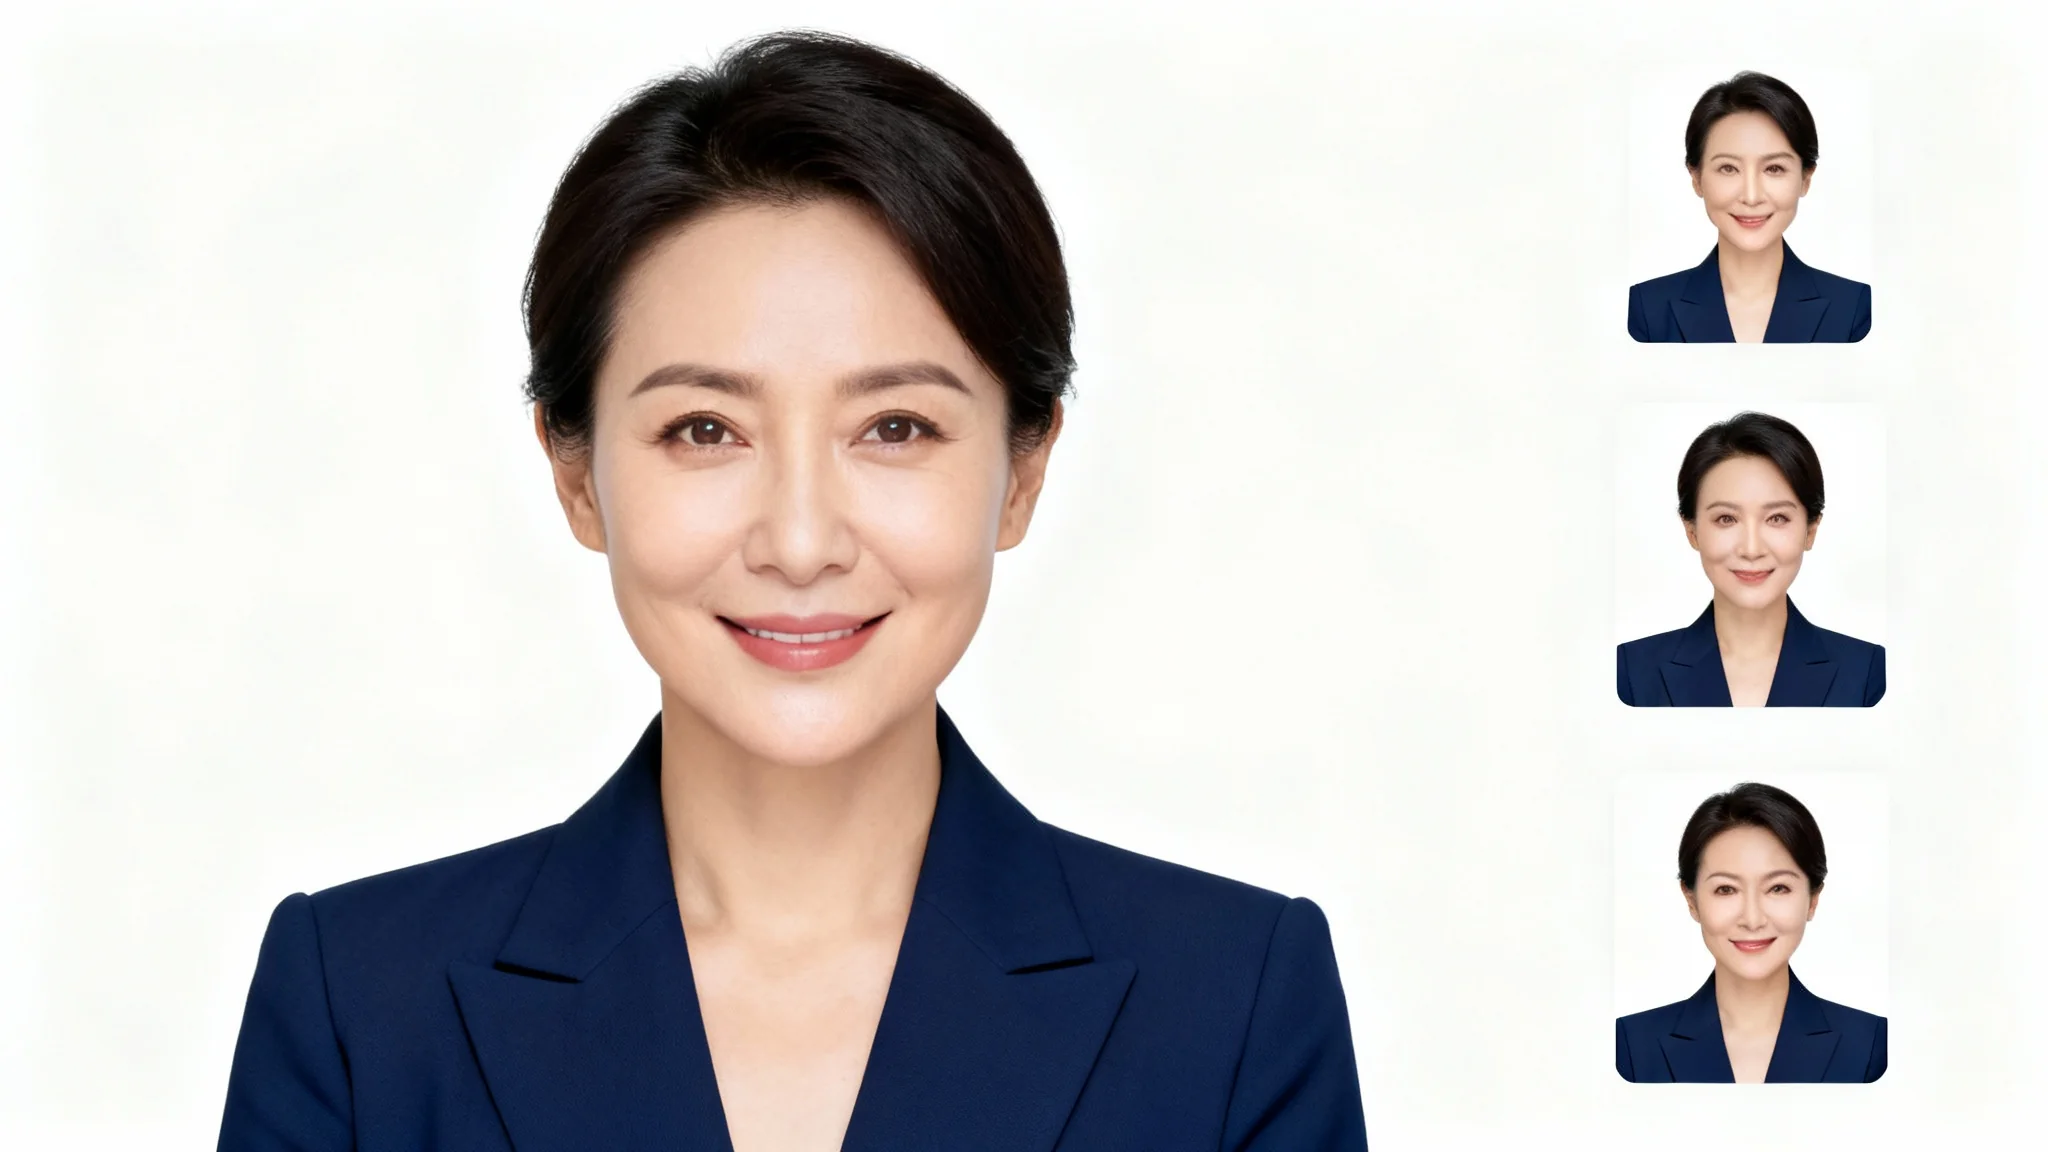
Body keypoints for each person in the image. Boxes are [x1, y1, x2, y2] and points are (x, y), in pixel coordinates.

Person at [214, 31, 1367, 1151]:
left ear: (1021, 471)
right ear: (574, 473)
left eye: (896, 427)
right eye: (704, 429)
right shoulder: (359, 1009)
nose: (802, 541)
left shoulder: (1233, 1009)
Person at [1616, 783, 1886, 1083]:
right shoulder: (1629, 1047)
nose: (1753, 919)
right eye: (1726, 889)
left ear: (1812, 899)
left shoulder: (1873, 1046)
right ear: (1691, 901)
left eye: (1778, 888)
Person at [1617, 411, 1883, 707]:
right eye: (1727, 519)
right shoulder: (1630, 673)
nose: (1752, 549)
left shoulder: (1869, 673)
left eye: (1777, 518)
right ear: (1691, 530)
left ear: (1810, 530)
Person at [1628, 71, 1870, 342]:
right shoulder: (1646, 310)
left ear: (1805, 178)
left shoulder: (1854, 310)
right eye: (1728, 168)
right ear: (1696, 178)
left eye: (1774, 168)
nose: (1751, 196)